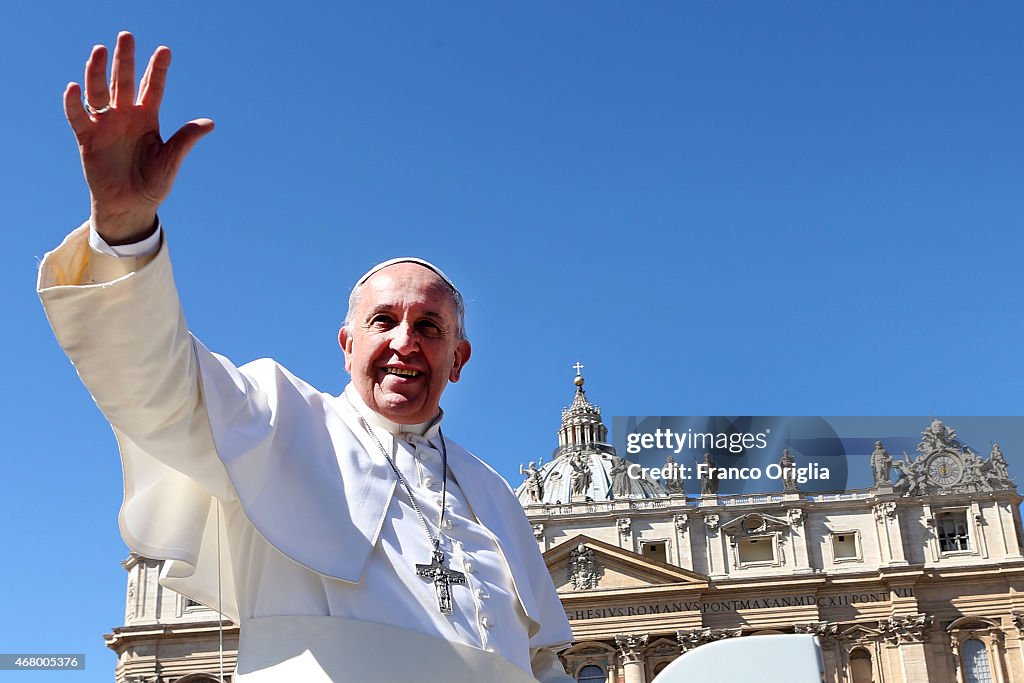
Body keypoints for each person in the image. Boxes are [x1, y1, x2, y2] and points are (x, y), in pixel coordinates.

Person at [38, 32, 572, 682]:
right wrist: (123, 230)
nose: (406, 341)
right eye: (384, 321)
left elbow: (543, 662)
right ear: (347, 346)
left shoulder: (497, 499)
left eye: (429, 326)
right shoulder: (276, 421)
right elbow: (153, 380)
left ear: (457, 357)